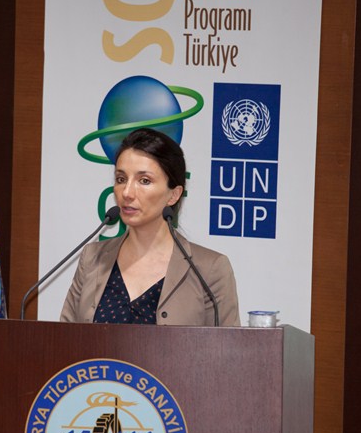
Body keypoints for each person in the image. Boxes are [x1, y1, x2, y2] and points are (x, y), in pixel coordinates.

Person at [60, 128, 240, 326]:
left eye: (144, 181)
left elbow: (227, 345)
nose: (127, 192)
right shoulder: (93, 258)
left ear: (174, 195)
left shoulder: (210, 269)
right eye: (121, 179)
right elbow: (64, 338)